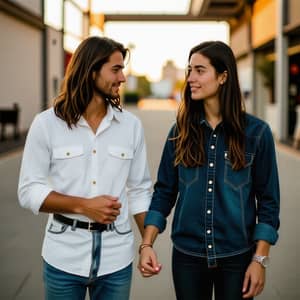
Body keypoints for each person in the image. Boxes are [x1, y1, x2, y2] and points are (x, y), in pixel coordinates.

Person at [138, 41, 280, 300]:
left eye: (200, 70)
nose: (190, 78)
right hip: (188, 258)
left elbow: (269, 202)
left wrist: (260, 260)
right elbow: (164, 192)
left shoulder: (257, 134)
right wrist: (147, 244)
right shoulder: (180, 132)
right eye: (189, 70)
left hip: (238, 257)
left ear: (223, 76)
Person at [18, 36, 152, 300]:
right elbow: (29, 190)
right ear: (91, 72)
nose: (122, 78)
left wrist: (147, 243)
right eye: (116, 69)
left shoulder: (131, 126)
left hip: (117, 259)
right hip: (63, 259)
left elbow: (139, 190)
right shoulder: (46, 124)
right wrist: (83, 205)